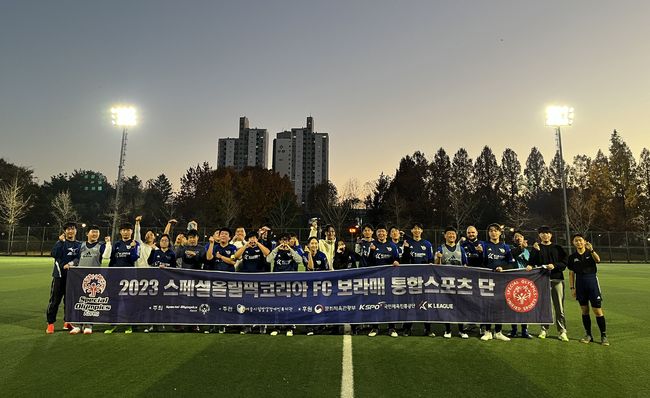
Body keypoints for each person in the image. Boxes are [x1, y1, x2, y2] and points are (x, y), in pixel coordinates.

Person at [527, 225, 569, 341]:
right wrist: (535, 251)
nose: (545, 235)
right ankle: (544, 329)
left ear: (551, 235)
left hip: (557, 280)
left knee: (559, 308)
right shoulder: (536, 247)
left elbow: (565, 262)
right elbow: (531, 262)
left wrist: (554, 265)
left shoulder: (558, 248)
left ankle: (562, 331)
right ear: (539, 235)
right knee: (544, 307)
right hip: (542, 280)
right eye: (543, 233)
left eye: (548, 233)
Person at [68, 225, 112, 335]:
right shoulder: (81, 245)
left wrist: (108, 244)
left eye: (97, 232)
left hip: (94, 279)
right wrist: (71, 264)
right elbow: (77, 258)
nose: (95, 234)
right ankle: (77, 325)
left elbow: (106, 256)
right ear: (87, 233)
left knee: (91, 302)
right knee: (79, 301)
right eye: (93, 232)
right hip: (80, 277)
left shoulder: (100, 246)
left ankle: (88, 324)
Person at [567, 234, 609, 346]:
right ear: (573, 243)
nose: (578, 242)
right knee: (584, 310)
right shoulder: (572, 257)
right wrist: (572, 288)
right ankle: (588, 335)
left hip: (592, 283)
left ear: (585, 242)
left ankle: (603, 336)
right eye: (576, 241)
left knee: (597, 311)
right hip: (580, 285)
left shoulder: (590, 253)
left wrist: (592, 250)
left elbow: (598, 260)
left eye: (580, 240)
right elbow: (571, 274)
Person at [480, 223, 514, 342]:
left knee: (500, 305)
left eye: (496, 230)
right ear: (488, 233)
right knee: (488, 305)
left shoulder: (505, 247)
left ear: (500, 232)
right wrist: (480, 253)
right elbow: (481, 263)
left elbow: (511, 263)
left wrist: (502, 268)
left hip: (501, 280)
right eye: (491, 231)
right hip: (487, 279)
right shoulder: (484, 245)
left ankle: (498, 331)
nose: (493, 232)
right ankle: (487, 331)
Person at [46, 222, 81, 334]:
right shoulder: (61, 243)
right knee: (55, 301)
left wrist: (71, 263)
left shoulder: (78, 245)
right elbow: (54, 254)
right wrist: (60, 242)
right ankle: (50, 323)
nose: (70, 231)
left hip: (72, 277)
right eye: (68, 229)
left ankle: (68, 321)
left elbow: (79, 258)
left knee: (69, 300)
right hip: (59, 276)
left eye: (72, 229)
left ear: (76, 231)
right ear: (65, 231)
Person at [233, 232, 271, 334]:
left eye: (254, 237)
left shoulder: (260, 247)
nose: (252, 240)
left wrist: (258, 243)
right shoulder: (245, 248)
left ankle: (262, 325)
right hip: (247, 281)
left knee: (260, 303)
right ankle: (247, 325)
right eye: (250, 238)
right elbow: (236, 257)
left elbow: (268, 254)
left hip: (260, 280)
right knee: (247, 303)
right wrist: (245, 245)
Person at [435, 226, 469, 339]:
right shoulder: (441, 248)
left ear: (456, 236)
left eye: (453, 234)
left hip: (459, 282)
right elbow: (436, 266)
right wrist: (438, 258)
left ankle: (461, 330)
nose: (451, 236)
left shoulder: (461, 249)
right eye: (449, 234)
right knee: (447, 306)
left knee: (460, 306)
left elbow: (465, 265)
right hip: (446, 283)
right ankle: (448, 330)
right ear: (445, 235)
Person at [106, 222, 140, 334]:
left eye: (128, 230)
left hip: (129, 277)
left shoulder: (136, 244)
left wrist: (133, 248)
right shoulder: (116, 244)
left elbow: (134, 258)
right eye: (123, 230)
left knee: (128, 301)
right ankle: (113, 325)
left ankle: (130, 325)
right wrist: (109, 274)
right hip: (116, 276)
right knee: (114, 301)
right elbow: (112, 260)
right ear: (120, 232)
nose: (126, 232)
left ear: (131, 232)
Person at [401, 222, 434, 336]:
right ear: (411, 231)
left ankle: (428, 329)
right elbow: (403, 261)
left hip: (424, 279)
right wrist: (405, 249)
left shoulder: (427, 244)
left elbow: (431, 261)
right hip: (410, 278)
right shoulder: (406, 243)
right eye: (414, 229)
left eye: (419, 229)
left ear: (422, 231)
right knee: (409, 303)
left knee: (424, 303)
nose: (416, 230)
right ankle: (407, 328)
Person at [267, 234, 303, 336]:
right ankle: (276, 327)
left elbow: (299, 260)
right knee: (277, 306)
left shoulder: (293, 251)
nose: (284, 242)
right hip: (277, 282)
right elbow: (268, 260)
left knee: (289, 306)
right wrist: (277, 248)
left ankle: (289, 327)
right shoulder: (276, 251)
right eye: (282, 240)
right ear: (279, 241)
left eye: (286, 240)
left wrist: (290, 249)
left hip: (290, 283)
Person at [368, 224, 400, 338]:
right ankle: (375, 327)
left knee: (390, 304)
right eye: (379, 232)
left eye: (383, 231)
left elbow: (397, 259)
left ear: (386, 233)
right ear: (376, 234)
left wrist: (396, 261)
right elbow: (369, 263)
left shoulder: (392, 246)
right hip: (376, 279)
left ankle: (391, 327)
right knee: (375, 303)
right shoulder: (373, 245)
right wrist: (372, 252)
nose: (381, 233)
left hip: (389, 280)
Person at [304, 236, 331, 336]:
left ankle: (320, 326)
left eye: (316, 243)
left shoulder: (322, 255)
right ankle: (309, 327)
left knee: (321, 305)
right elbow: (310, 268)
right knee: (310, 305)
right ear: (308, 245)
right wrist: (309, 254)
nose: (314, 245)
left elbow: (327, 270)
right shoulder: (305, 255)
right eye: (312, 243)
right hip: (309, 286)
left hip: (321, 285)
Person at [508, 230, 532, 339]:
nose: (518, 238)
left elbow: (531, 263)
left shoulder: (527, 251)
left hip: (524, 281)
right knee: (513, 306)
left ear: (523, 238)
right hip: (513, 281)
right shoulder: (509, 249)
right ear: (513, 239)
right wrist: (521, 248)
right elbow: (514, 253)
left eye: (520, 236)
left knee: (524, 306)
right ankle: (514, 330)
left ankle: (524, 330)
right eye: (516, 237)